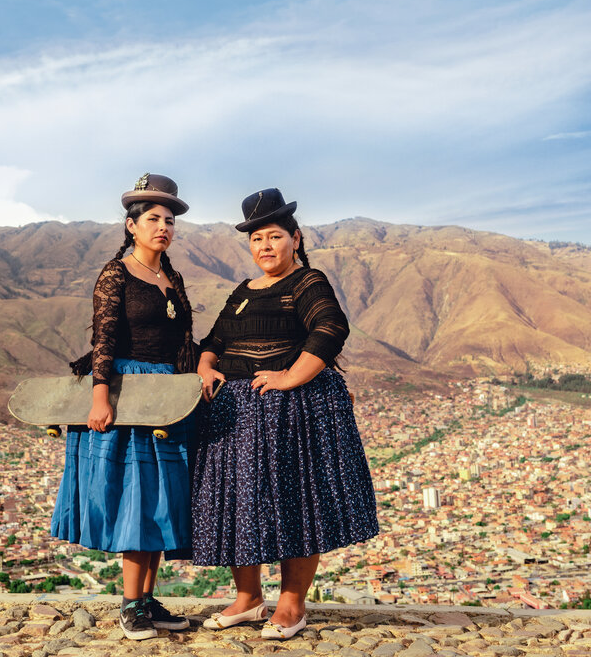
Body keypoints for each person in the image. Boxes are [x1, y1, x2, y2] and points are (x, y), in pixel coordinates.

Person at [192, 188, 379, 640]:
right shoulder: (243, 291)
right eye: (257, 240)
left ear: (295, 238)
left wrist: (291, 377)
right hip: (235, 416)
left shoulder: (307, 283)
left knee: (297, 504)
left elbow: (331, 327)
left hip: (292, 417)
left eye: (274, 237)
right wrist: (204, 366)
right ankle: (249, 599)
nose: (265, 247)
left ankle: (292, 604)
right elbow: (213, 342)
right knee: (243, 503)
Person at [50, 173, 198, 640]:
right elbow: (104, 338)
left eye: (169, 220)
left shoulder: (169, 277)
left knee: (159, 501)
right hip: (126, 396)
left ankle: (149, 600)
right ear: (131, 225)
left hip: (165, 399)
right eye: (152, 218)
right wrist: (100, 397)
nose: (163, 227)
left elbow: (182, 342)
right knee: (137, 498)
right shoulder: (116, 274)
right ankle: (130, 605)